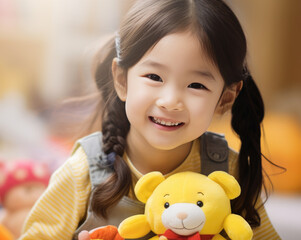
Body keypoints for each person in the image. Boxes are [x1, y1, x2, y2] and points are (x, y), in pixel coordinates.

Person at [19, 0, 281, 239]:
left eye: (196, 85)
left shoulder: (229, 173)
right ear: (122, 80)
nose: (170, 101)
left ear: (225, 98)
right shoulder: (82, 174)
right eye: (154, 77)